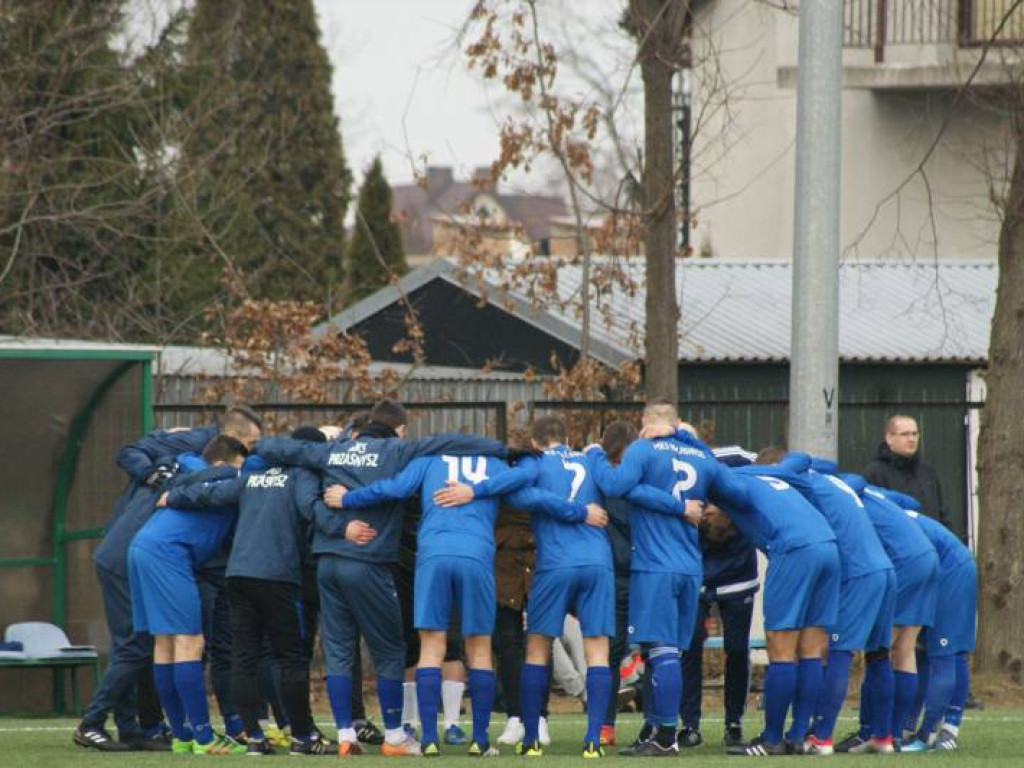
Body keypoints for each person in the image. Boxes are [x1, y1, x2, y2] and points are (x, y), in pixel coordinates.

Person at [255, 398, 509, 756]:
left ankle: (345, 735)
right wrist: (501, 447)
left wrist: (255, 446)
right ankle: (395, 736)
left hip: (327, 562)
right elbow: (449, 442)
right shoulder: (398, 450)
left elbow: (276, 448)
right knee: (391, 650)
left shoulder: (333, 451)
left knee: (339, 650)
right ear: (400, 428)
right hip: (369, 560)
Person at [326, 447, 605, 757]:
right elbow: (527, 488)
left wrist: (347, 498)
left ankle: (430, 740)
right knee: (479, 647)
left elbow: (392, 488)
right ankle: (480, 740)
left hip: (433, 554)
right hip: (476, 555)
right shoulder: (497, 465)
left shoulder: (428, 460)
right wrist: (578, 509)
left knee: (432, 648)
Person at [74, 407, 261, 752]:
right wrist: (167, 486)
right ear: (232, 445)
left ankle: (139, 728)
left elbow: (181, 467)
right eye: (249, 447)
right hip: (145, 555)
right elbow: (134, 453)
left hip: (134, 551)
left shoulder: (187, 460)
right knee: (155, 644)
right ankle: (95, 722)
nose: (252, 455)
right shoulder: (215, 469)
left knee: (151, 643)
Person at [163, 426, 332, 756]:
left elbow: (214, 494)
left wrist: (173, 496)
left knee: (245, 658)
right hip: (278, 577)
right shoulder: (302, 476)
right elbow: (307, 509)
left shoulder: (254, 476)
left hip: (238, 574)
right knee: (291, 657)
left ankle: (254, 737)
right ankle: (302, 737)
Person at [587, 403, 729, 757]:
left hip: (656, 566)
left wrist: (594, 457)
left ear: (645, 425)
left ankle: (667, 736)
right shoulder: (698, 455)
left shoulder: (643, 449)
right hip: (689, 565)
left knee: (661, 652)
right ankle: (653, 727)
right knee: (664, 652)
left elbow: (613, 484)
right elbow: (722, 484)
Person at [701, 449, 840, 758]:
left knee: (781, 647)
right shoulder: (778, 477)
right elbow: (806, 458)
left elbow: (707, 465)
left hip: (793, 548)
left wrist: (681, 436)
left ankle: (772, 739)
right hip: (828, 546)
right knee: (812, 649)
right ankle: (799, 736)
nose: (711, 518)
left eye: (710, 516)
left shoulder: (732, 483)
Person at [129, 435, 250, 756]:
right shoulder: (224, 474)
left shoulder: (187, 467)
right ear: (226, 463)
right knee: (190, 642)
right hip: (167, 552)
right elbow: (217, 477)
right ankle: (204, 738)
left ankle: (183, 736)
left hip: (144, 547)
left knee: (165, 644)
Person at [772, 455, 897, 755]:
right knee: (879, 655)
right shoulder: (834, 481)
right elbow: (839, 470)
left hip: (858, 574)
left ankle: (821, 737)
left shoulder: (802, 486)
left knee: (839, 653)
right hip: (885, 570)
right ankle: (883, 736)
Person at [871, 488, 976, 752]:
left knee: (946, 652)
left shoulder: (868, 510)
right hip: (936, 568)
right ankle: (911, 727)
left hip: (951, 569)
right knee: (921, 652)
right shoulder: (879, 502)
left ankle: (937, 731)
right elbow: (911, 500)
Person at [679, 501, 757, 750]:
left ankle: (734, 723)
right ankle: (690, 724)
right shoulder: (692, 467)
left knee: (736, 649)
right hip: (697, 569)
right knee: (689, 645)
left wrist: (726, 508)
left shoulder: (741, 469)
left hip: (738, 571)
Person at [863, 415, 950, 529]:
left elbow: (942, 514)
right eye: (905, 434)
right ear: (889, 438)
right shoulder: (875, 473)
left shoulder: (928, 472)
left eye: (915, 434)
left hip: (931, 542)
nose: (911, 439)